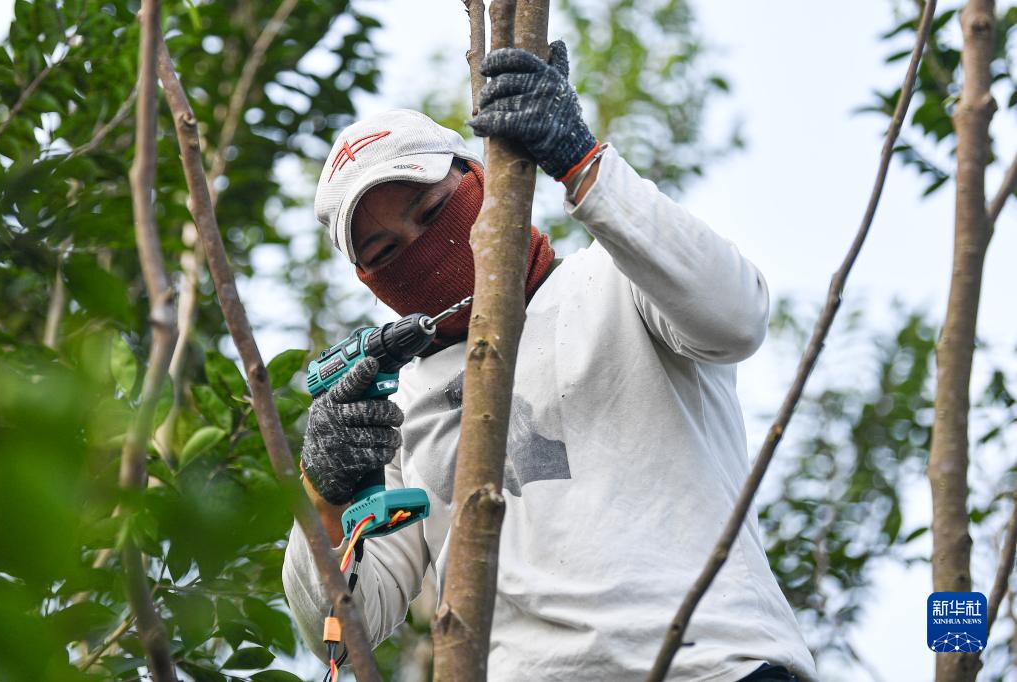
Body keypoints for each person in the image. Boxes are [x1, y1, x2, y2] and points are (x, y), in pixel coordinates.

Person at [283, 40, 818, 681]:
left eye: (430, 212)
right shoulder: (393, 414)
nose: (422, 250)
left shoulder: (621, 284)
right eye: (384, 250)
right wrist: (324, 494)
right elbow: (342, 634)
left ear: (476, 180)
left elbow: (737, 318)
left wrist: (581, 160)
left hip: (710, 668)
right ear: (368, 280)